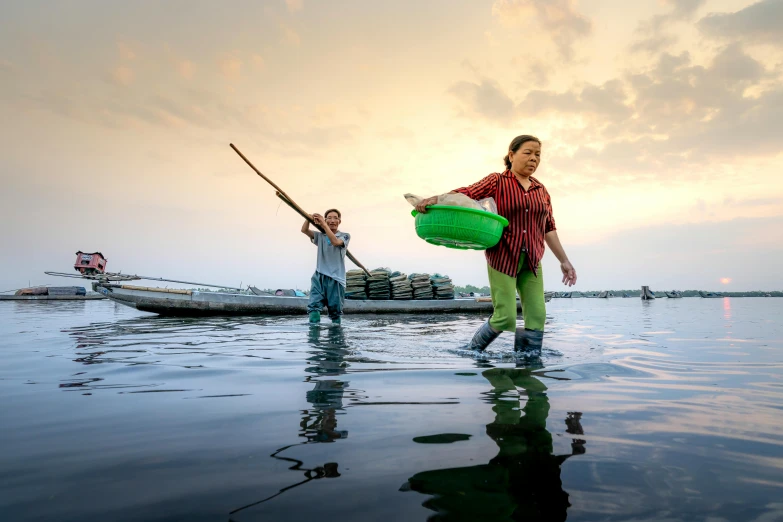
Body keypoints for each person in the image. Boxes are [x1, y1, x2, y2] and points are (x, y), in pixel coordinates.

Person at [415, 135, 576, 352]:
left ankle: (528, 365)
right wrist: (435, 199)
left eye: (538, 154)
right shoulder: (497, 181)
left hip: (532, 259)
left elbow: (549, 227)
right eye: (527, 152)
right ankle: (471, 351)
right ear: (511, 155)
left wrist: (564, 261)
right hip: (503, 256)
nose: (533, 159)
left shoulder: (541, 191)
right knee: (505, 316)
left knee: (538, 315)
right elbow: (467, 193)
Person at [301, 209, 351, 324]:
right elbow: (304, 230)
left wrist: (324, 225)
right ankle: (313, 341)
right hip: (319, 275)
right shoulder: (320, 235)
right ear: (326, 219)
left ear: (339, 221)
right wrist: (308, 219)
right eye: (329, 218)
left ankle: (335, 339)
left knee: (335, 314)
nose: (332, 220)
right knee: (313, 309)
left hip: (336, 279)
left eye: (335, 218)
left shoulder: (345, 236)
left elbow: (335, 242)